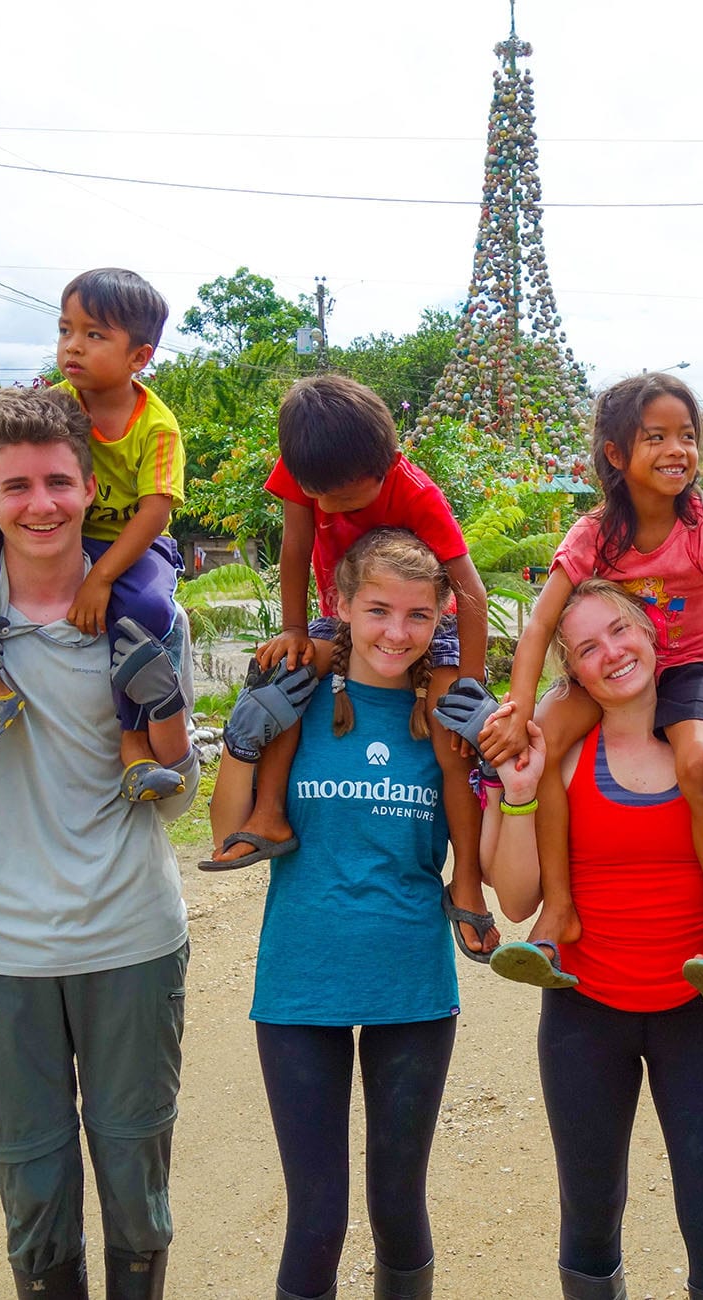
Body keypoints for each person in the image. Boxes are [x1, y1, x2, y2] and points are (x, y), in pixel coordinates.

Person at [0, 385, 199, 1300]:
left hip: (130, 933)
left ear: (89, 488)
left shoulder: (150, 616)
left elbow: (175, 799)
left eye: (60, 481)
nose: (41, 505)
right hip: (1, 945)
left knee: (137, 1185)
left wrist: (161, 705)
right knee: (31, 1186)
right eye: (17, 485)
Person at [483, 579, 703, 1300]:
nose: (612, 653)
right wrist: (517, 793)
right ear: (572, 670)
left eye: (621, 630)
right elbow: (518, 899)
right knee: (589, 1227)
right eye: (587, 647)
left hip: (699, 1014)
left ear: (653, 634)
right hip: (584, 1014)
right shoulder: (561, 752)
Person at [470, 371, 703, 1007]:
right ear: (616, 455)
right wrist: (516, 710)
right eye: (655, 437)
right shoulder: (594, 532)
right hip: (613, 662)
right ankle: (559, 912)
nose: (677, 449)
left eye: (687, 435)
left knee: (698, 762)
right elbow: (540, 624)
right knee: (541, 744)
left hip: (689, 665)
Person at [228, 528, 461, 1300]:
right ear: (342, 606)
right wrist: (242, 739)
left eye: (418, 615)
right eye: (379, 610)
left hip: (411, 984)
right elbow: (228, 832)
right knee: (317, 1216)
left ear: (441, 617)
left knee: (398, 1204)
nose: (397, 632)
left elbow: (490, 857)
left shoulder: (446, 715)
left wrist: (507, 771)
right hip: (301, 984)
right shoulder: (297, 700)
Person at [204, 376, 498, 960]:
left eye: (349, 500)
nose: (332, 508)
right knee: (288, 674)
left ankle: (466, 879)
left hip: (422, 623)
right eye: (323, 498)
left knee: (453, 731)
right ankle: (268, 814)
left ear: (386, 463)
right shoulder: (303, 471)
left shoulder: (417, 492)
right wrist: (293, 629)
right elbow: (294, 548)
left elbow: (471, 593)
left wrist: (470, 681)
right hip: (340, 620)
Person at [0, 267, 189, 803]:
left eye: (94, 334)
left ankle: (134, 740)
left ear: (139, 357)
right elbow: (11, 468)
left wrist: (102, 580)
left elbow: (155, 513)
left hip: (134, 545)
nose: (73, 345)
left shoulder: (157, 427)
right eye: (65, 329)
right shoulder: (56, 404)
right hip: (62, 533)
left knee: (148, 614)